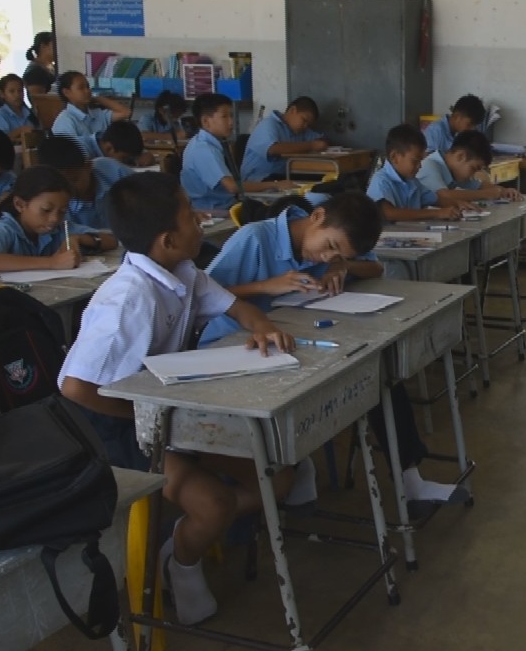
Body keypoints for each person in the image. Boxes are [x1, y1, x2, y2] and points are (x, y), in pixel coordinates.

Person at [59, 172, 306, 626]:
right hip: (111, 427)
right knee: (214, 503)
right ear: (168, 239)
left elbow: (238, 307)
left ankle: (183, 540)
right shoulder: (128, 300)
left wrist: (263, 328)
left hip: (167, 409)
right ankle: (183, 565)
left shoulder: (183, 272)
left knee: (277, 478)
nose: (202, 222)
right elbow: (75, 389)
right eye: (192, 216)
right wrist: (152, 421)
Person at [201, 192, 469, 514]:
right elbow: (198, 294)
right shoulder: (256, 239)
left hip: (291, 339)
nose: (326, 257)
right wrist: (266, 285)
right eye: (329, 247)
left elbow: (375, 268)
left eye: (336, 254)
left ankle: (410, 479)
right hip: (234, 344)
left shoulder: (328, 252)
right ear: (317, 217)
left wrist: (342, 265)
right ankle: (298, 467)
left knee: (379, 369)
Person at [0, 165, 115, 277]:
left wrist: (76, 239)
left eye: (62, 211)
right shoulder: (4, 229)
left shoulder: (58, 228)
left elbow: (111, 240)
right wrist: (52, 263)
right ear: (20, 205)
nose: (54, 218)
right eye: (46, 210)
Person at [181, 93, 297, 211]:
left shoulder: (209, 143)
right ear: (206, 121)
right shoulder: (204, 150)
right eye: (224, 117)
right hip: (214, 210)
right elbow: (232, 187)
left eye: (231, 115)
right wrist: (275, 184)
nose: (231, 122)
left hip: (226, 204)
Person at [366, 124, 475, 223]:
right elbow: (389, 213)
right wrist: (437, 213)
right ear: (395, 157)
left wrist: (458, 204)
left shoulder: (413, 182)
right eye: (415, 161)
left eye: (420, 161)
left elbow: (436, 199)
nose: (419, 166)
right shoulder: (380, 180)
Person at [416, 130, 522, 203]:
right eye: (474, 168)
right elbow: (444, 196)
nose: (474, 174)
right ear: (460, 156)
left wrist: (504, 191)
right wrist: (485, 194)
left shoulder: (453, 171)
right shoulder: (430, 165)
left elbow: (479, 186)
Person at [240, 97, 326, 183]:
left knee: (321, 181)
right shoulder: (269, 124)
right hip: (256, 179)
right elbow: (273, 148)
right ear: (292, 110)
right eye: (304, 120)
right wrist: (311, 146)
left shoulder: (300, 130)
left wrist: (321, 143)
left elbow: (321, 140)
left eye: (308, 124)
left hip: (281, 178)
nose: (305, 126)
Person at [50, 71, 130, 158]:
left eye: (88, 87)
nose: (87, 91)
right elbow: (71, 155)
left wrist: (98, 99)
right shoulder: (65, 120)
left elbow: (126, 113)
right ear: (67, 92)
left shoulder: (97, 114)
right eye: (81, 88)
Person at [0, 74, 40, 141]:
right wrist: (19, 131)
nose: (17, 95)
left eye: (20, 91)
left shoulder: (30, 113)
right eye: (12, 91)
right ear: (2, 94)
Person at [22, 32, 57, 96]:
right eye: (55, 45)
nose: (58, 49)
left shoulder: (53, 67)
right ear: (43, 46)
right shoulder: (34, 72)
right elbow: (38, 101)